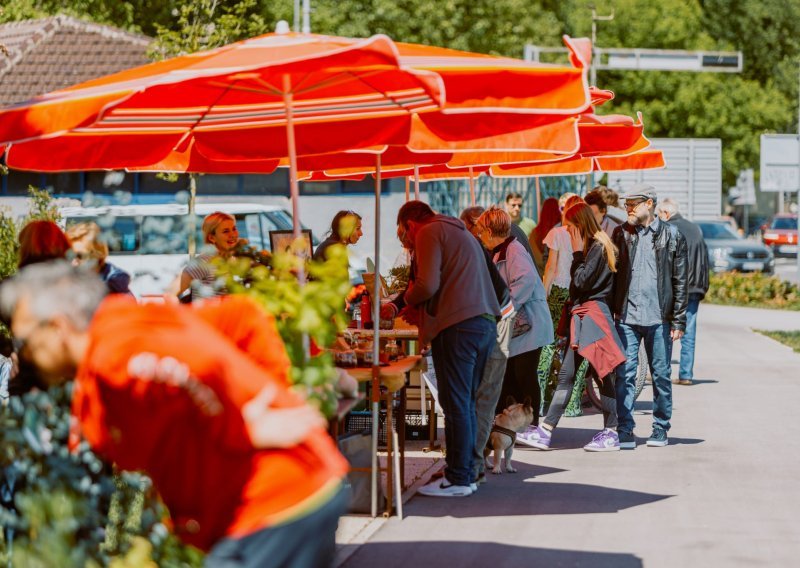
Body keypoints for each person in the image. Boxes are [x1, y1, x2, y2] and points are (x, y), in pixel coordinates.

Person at [0, 261, 348, 566]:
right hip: (291, 495)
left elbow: (198, 367)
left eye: (24, 341)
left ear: (58, 328)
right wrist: (274, 393)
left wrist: (244, 426)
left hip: (270, 506)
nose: (22, 354)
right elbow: (242, 316)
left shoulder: (114, 356)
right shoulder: (132, 323)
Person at [381, 201, 499, 497]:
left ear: (409, 224)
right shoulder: (456, 230)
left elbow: (427, 284)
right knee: (466, 402)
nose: (406, 243)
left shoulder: (428, 232)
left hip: (458, 326)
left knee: (455, 402)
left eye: (402, 235)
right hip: (482, 323)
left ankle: (458, 478)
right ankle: (467, 472)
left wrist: (406, 300)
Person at [520, 203, 625, 451]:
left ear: (581, 225)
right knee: (575, 375)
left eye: (569, 225)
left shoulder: (597, 248)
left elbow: (580, 282)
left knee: (602, 375)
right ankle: (546, 431)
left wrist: (577, 254)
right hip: (587, 317)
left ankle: (611, 432)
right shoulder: (599, 245)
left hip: (592, 317)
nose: (566, 230)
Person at [612, 184, 688, 449]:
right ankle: (625, 429)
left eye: (633, 203)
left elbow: (680, 281)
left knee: (661, 375)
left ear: (649, 204)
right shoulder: (621, 234)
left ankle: (660, 428)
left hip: (659, 319)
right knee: (625, 374)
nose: (628, 208)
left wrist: (678, 320)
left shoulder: (672, 235)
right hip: (627, 318)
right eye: (626, 204)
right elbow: (613, 274)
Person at [475, 208, 552, 430]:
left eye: (481, 232)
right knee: (509, 375)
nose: (479, 236)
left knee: (524, 375)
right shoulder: (500, 251)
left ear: (489, 231)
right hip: (518, 329)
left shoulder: (513, 250)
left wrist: (506, 307)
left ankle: (532, 424)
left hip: (529, 326)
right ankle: (511, 423)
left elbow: (525, 280)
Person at [459, 207, 514, 486]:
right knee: (480, 399)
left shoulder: (475, 248)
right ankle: (473, 462)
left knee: (482, 400)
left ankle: (475, 464)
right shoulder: (479, 248)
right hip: (494, 323)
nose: (500, 245)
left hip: (497, 325)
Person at [657, 198, 709, 386]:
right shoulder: (695, 229)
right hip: (695, 287)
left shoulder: (668, 229)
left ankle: (663, 371)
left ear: (665, 213)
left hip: (674, 288)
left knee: (667, 329)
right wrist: (703, 285)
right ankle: (686, 374)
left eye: (659, 215)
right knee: (689, 332)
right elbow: (704, 259)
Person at [177, 211, 241, 299]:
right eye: (226, 231)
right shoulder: (204, 262)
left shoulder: (235, 260)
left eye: (234, 229)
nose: (233, 235)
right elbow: (170, 293)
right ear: (211, 238)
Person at [66, 222, 133, 295]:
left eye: (80, 256)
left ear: (99, 257)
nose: (73, 263)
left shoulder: (116, 294)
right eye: (69, 256)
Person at [528, 197, 561, 277]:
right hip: (558, 278)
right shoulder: (561, 232)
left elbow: (533, 257)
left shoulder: (535, 233)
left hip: (539, 277)